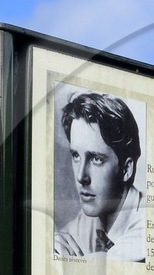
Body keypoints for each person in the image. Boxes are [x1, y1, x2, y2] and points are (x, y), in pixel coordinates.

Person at [54, 91, 146, 261]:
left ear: (126, 169)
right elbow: (58, 239)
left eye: (96, 159)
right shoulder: (89, 220)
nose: (81, 176)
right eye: (76, 156)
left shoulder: (146, 228)